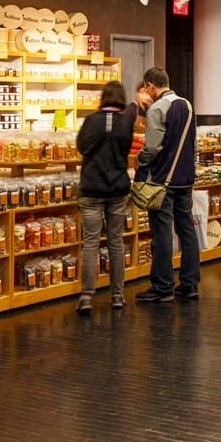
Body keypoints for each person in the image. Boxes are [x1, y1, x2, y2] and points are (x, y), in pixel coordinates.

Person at [133, 67, 199, 303]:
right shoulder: (187, 105)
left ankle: (162, 287)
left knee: (162, 233)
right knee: (187, 231)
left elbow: (152, 147)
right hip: (185, 179)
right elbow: (193, 143)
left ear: (151, 85)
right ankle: (189, 284)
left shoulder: (158, 108)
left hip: (163, 181)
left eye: (146, 88)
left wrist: (138, 160)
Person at [75, 81, 134, 313]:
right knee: (116, 241)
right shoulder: (125, 123)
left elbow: (81, 147)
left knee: (91, 242)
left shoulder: (91, 121)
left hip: (91, 188)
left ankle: (87, 295)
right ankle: (118, 295)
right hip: (117, 189)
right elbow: (127, 150)